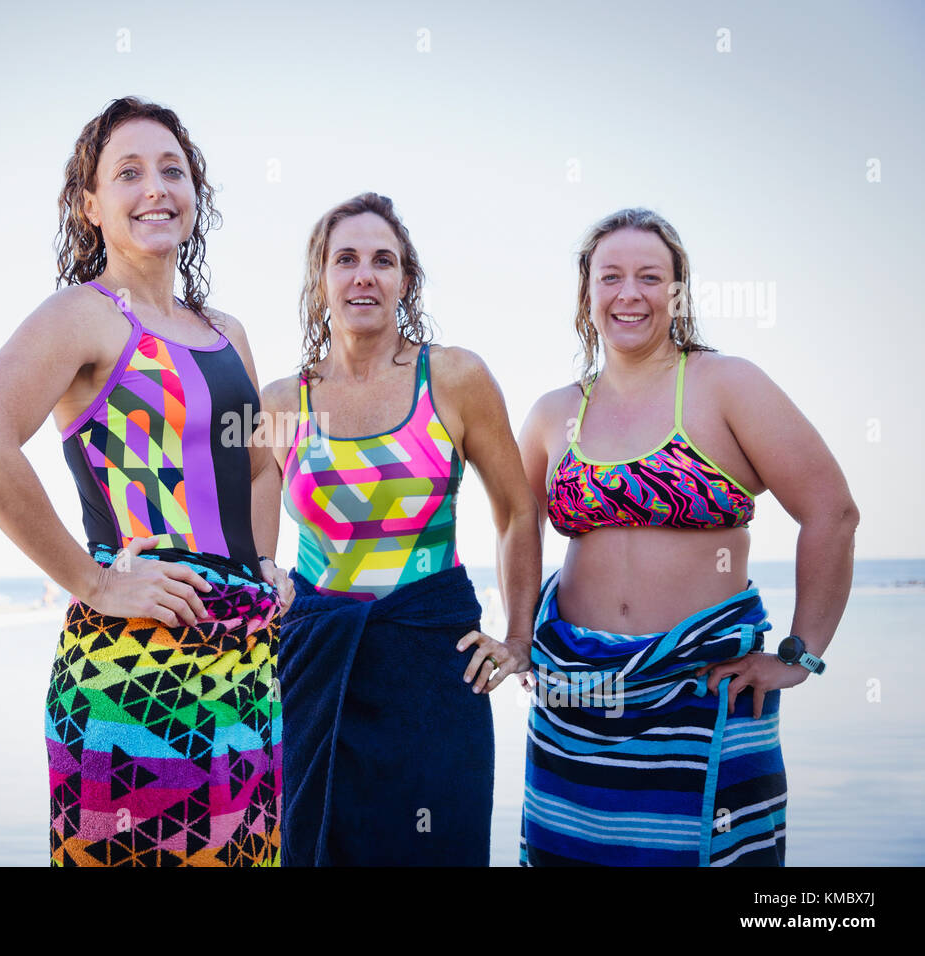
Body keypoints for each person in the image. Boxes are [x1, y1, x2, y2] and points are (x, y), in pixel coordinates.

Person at [0, 97, 290, 867]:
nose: (156, 188)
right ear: (90, 206)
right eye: (128, 173)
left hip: (244, 663)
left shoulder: (227, 331)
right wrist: (93, 582)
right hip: (132, 668)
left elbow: (260, 463)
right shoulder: (83, 315)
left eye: (173, 169)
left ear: (197, 194)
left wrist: (265, 565)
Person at [517, 207, 858, 866]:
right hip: (574, 703)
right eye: (610, 276)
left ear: (678, 292)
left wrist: (800, 655)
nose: (629, 293)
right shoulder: (554, 413)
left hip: (703, 695)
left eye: (650, 276)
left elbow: (832, 512)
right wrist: (520, 636)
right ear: (587, 295)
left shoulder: (726, 385)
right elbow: (515, 527)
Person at [260, 192, 540, 865]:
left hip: (433, 672)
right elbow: (253, 555)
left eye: (383, 261)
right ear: (320, 280)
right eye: (346, 259)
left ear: (405, 281)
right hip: (315, 672)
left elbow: (518, 510)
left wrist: (520, 637)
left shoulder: (453, 377)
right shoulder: (279, 403)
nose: (365, 275)